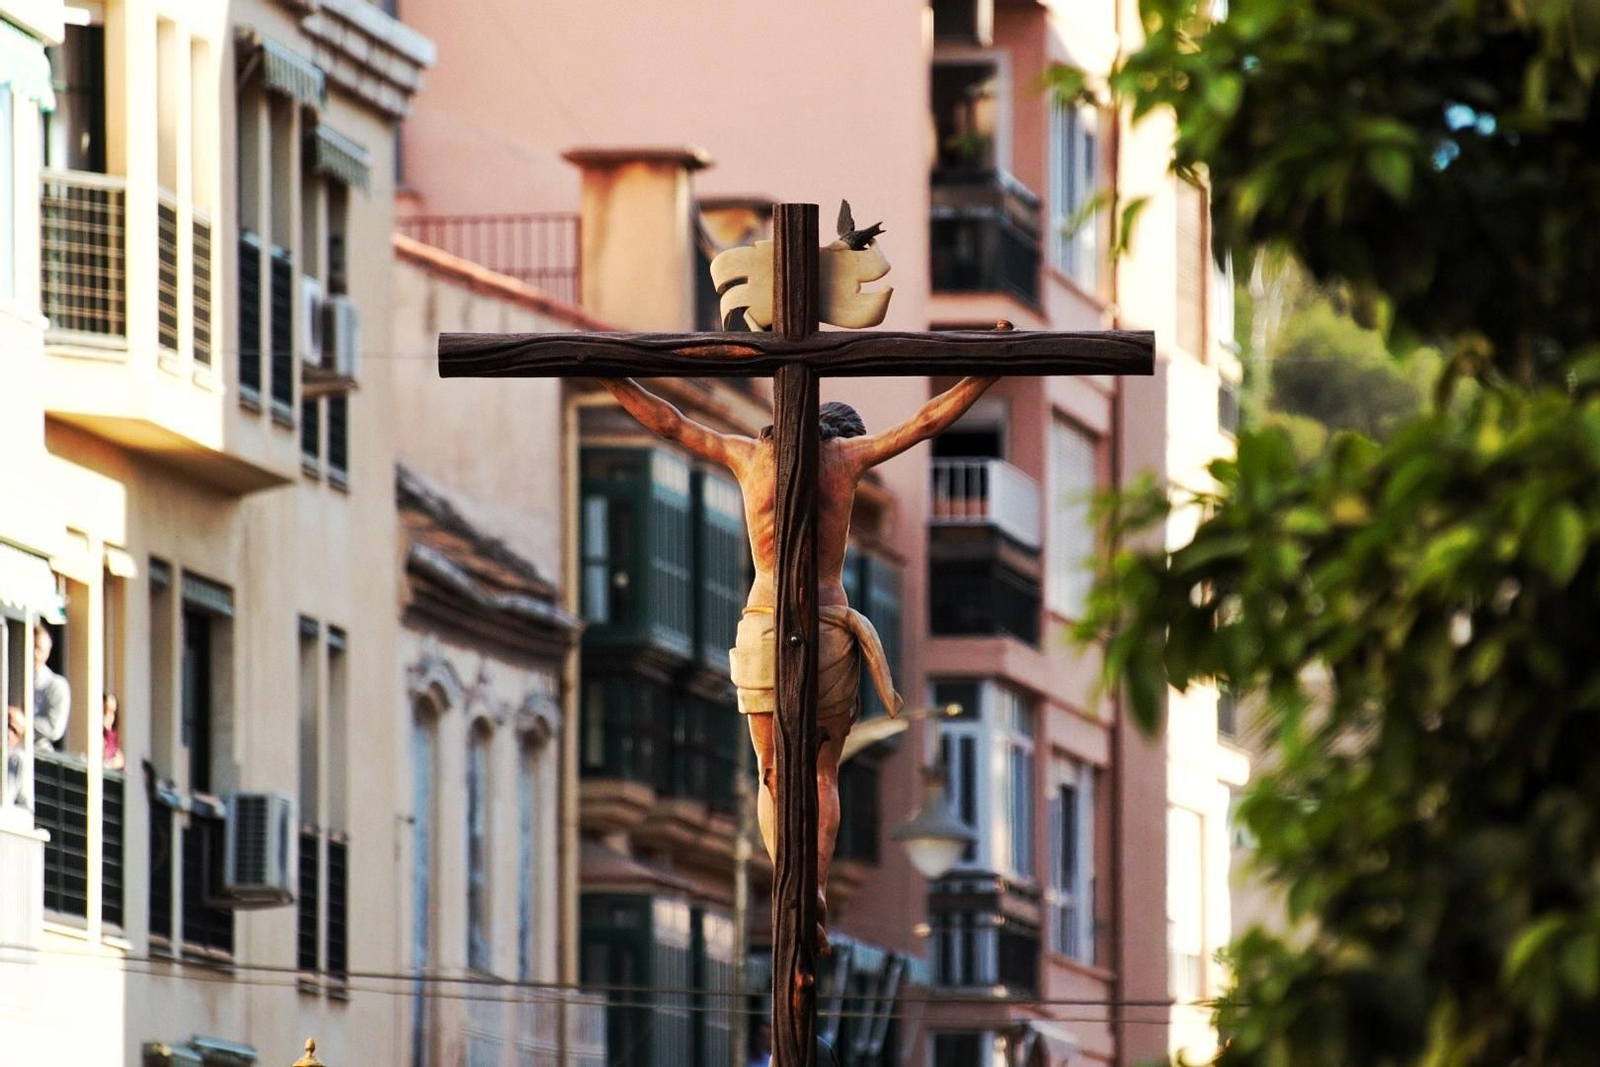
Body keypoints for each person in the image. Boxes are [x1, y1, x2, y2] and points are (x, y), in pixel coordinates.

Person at [599, 374, 997, 953]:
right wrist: (984, 374)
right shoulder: (847, 458)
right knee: (822, 774)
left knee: (770, 769)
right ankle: (813, 889)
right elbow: (927, 421)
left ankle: (789, 882)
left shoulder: (745, 455)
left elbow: (668, 420)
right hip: (832, 628)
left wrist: (609, 372)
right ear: (840, 431)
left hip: (763, 622)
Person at [31, 626, 70, 752]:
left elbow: (54, 728)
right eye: (31, 646)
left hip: (39, 756)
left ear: (47, 653)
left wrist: (23, 723)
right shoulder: (8, 677)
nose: (34, 653)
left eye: (38, 648)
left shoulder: (55, 685)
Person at [102, 692, 125, 770]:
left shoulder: (112, 736)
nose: (109, 716)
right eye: (106, 711)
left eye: (112, 712)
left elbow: (119, 760)